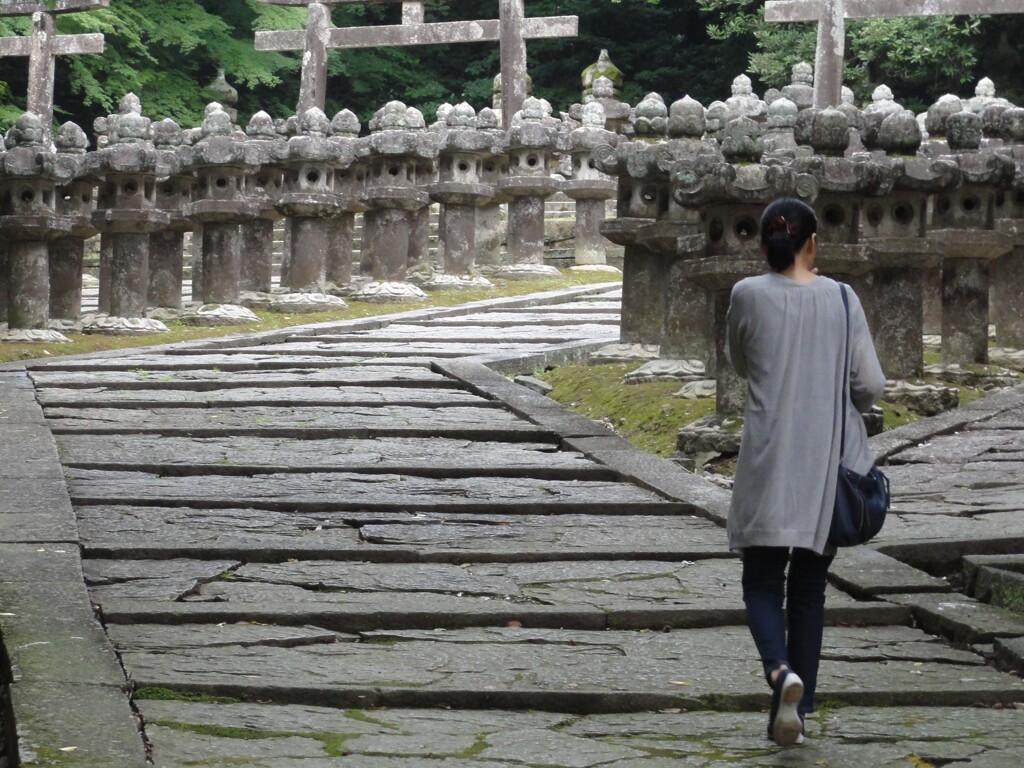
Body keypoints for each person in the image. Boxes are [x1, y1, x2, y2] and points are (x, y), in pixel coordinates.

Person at [725, 198, 885, 746]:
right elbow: (870, 386)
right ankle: (801, 698)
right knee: (810, 587)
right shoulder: (842, 298)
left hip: (769, 458)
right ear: (812, 241)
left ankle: (779, 673)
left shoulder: (746, 295)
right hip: (825, 464)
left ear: (764, 244)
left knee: (762, 580)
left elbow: (740, 362)